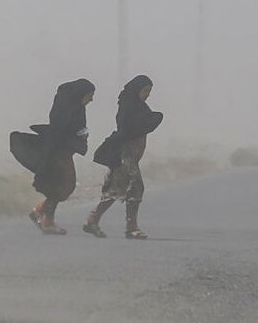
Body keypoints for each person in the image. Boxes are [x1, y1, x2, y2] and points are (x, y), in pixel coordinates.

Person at [84, 75, 162, 239]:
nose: (147, 94)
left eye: (149, 91)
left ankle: (93, 219)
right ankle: (131, 226)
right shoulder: (128, 107)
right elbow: (128, 128)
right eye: (145, 91)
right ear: (136, 90)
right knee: (136, 186)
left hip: (132, 155)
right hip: (125, 154)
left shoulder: (140, 107)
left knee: (115, 189)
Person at [28, 78, 95, 235]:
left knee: (63, 185)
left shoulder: (77, 109)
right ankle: (46, 220)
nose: (91, 100)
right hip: (57, 153)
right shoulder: (65, 111)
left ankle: (40, 211)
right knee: (61, 186)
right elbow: (61, 131)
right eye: (89, 95)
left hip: (65, 153)